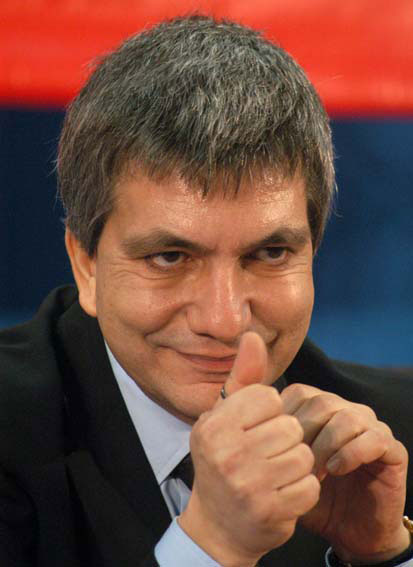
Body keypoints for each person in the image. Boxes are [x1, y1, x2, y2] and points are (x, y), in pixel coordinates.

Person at [0, 14, 412, 567]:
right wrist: (212, 545)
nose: (224, 320)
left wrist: (383, 555)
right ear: (86, 265)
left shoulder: (392, 438)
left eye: (270, 253)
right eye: (169, 258)